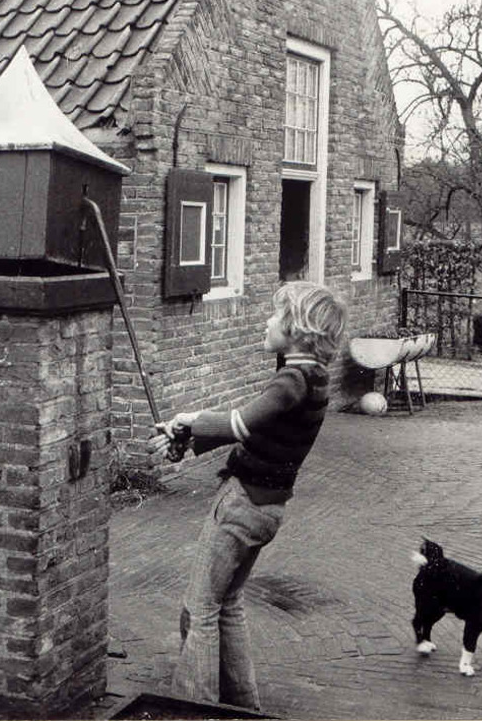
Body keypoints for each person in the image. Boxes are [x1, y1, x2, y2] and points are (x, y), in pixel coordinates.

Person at [148, 280, 347, 710]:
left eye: (275, 315)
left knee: (199, 609)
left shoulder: (292, 380)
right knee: (229, 603)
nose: (266, 321)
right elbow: (258, 432)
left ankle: (195, 708)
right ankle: (242, 706)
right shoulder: (314, 379)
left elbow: (240, 423)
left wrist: (188, 418)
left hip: (241, 505)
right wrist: (190, 441)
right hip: (268, 508)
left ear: (296, 329)